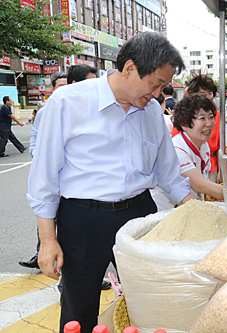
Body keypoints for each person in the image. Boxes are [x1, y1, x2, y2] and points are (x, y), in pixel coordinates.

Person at [27, 32, 194, 333]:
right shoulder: (68, 102)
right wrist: (48, 240)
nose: (158, 93)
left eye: (162, 86)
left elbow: (169, 173)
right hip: (84, 219)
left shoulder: (152, 112)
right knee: (79, 306)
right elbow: (44, 179)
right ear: (129, 68)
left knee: (149, 301)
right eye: (155, 83)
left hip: (139, 215)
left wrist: (196, 209)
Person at [19, 72, 68, 270]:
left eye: (67, 84)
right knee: (47, 213)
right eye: (60, 86)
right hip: (51, 173)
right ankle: (42, 251)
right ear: (53, 89)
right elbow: (35, 137)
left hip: (73, 178)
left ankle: (91, 272)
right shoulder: (45, 112)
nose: (64, 89)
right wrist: (37, 156)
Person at [171, 93, 224, 201]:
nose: (209, 124)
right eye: (202, 118)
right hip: (169, 210)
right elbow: (201, 185)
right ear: (184, 124)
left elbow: (204, 179)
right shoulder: (177, 150)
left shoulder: (203, 145)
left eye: (211, 117)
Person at [171, 74, 220, 183]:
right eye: (203, 93)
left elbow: (218, 146)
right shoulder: (185, 118)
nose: (208, 123)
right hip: (189, 163)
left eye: (210, 93)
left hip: (209, 163)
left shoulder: (215, 116)